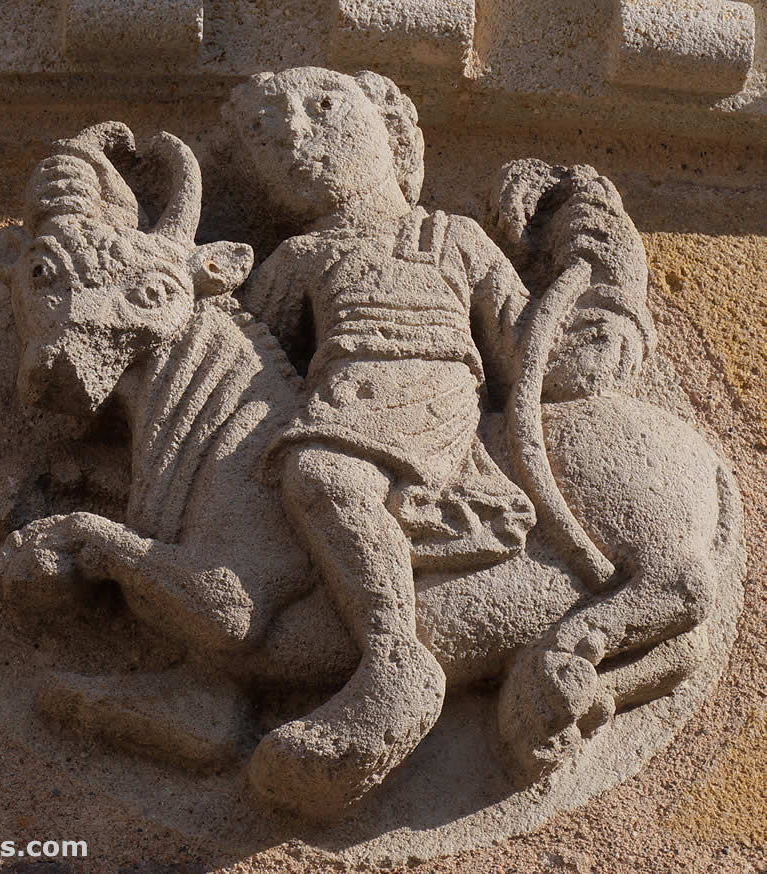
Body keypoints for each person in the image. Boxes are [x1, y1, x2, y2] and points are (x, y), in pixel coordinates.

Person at [226, 66, 536, 813]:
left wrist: (590, 313)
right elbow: (242, 359)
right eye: (268, 130)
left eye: (324, 107)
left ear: (391, 126)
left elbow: (524, 348)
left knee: (320, 475)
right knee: (286, 469)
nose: (296, 136)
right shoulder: (298, 258)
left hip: (429, 396)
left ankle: (396, 659)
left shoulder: (452, 236)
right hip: (340, 394)